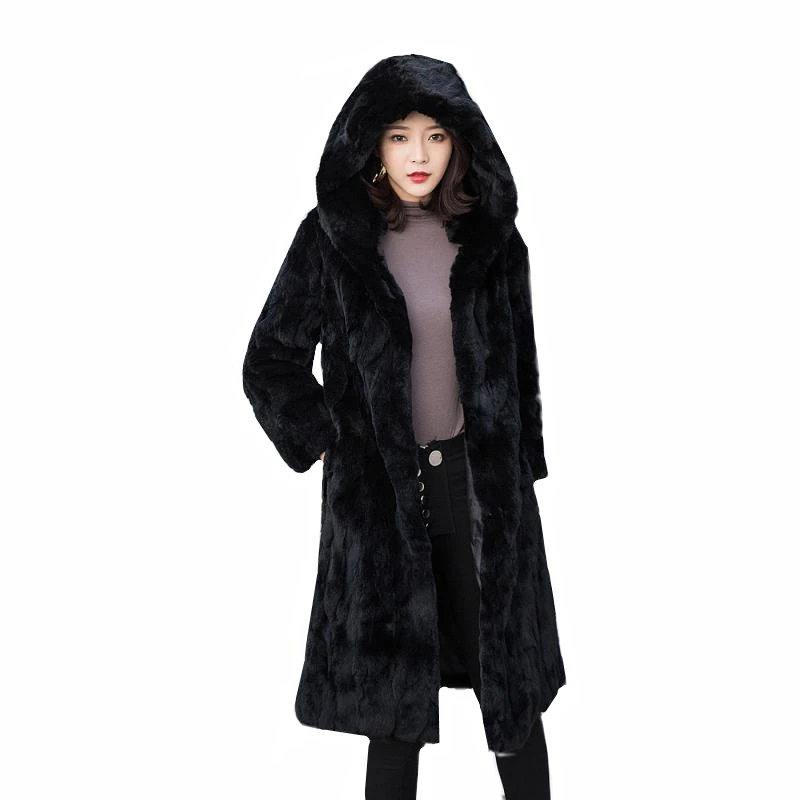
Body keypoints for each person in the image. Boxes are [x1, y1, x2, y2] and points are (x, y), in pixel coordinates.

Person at [242, 54, 566, 799]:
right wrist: (329, 442)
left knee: (510, 696)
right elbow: (269, 360)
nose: (419, 154)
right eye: (399, 136)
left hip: (483, 495)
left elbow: (521, 370)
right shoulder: (334, 239)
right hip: (384, 500)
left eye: (435, 135)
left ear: (460, 143)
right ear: (372, 145)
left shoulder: (493, 240)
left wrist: (525, 466)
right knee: (394, 715)